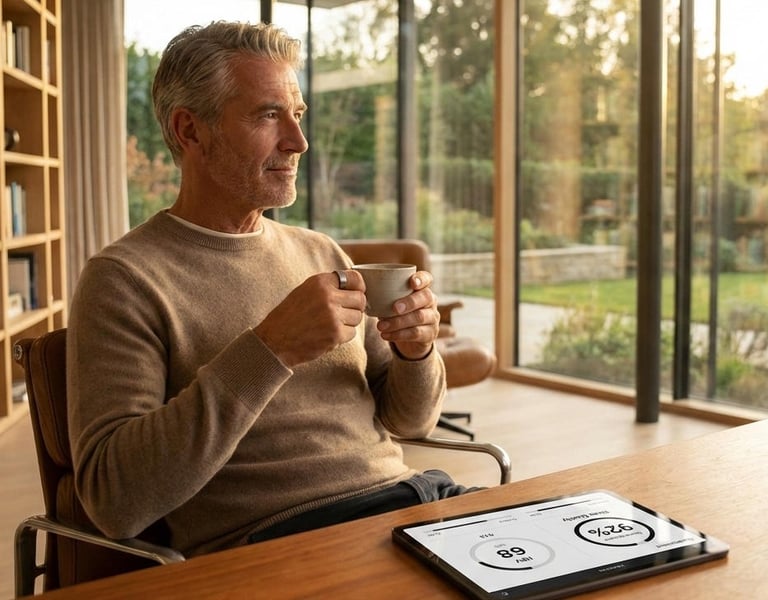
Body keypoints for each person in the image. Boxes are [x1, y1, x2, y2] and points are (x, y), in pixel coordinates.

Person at [67, 20, 473, 559]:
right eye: (267, 115)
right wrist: (271, 348)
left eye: (298, 115)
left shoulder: (320, 251)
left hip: (414, 502)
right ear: (190, 131)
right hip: (285, 542)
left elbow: (410, 421)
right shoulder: (125, 278)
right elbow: (114, 499)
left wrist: (415, 351)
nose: (298, 142)